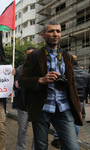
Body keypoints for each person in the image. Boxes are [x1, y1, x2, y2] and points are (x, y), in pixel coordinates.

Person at [18, 22, 82, 150]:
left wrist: (78, 108)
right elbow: (22, 80)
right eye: (51, 31)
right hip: (41, 108)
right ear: (43, 35)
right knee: (41, 147)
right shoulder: (34, 56)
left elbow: (72, 85)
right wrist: (41, 80)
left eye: (58, 31)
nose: (55, 34)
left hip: (64, 108)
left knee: (73, 147)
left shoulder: (67, 57)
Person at [51, 54, 90, 148]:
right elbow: (88, 89)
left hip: (67, 100)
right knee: (75, 121)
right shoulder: (86, 74)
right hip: (80, 100)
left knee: (63, 119)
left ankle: (59, 139)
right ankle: (74, 140)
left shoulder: (66, 72)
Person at [15, 47, 35, 150]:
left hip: (37, 105)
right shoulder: (19, 69)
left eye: (32, 54)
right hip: (23, 105)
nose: (30, 57)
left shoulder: (41, 68)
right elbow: (15, 84)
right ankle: (20, 148)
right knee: (22, 129)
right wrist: (16, 85)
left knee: (38, 130)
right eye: (28, 55)